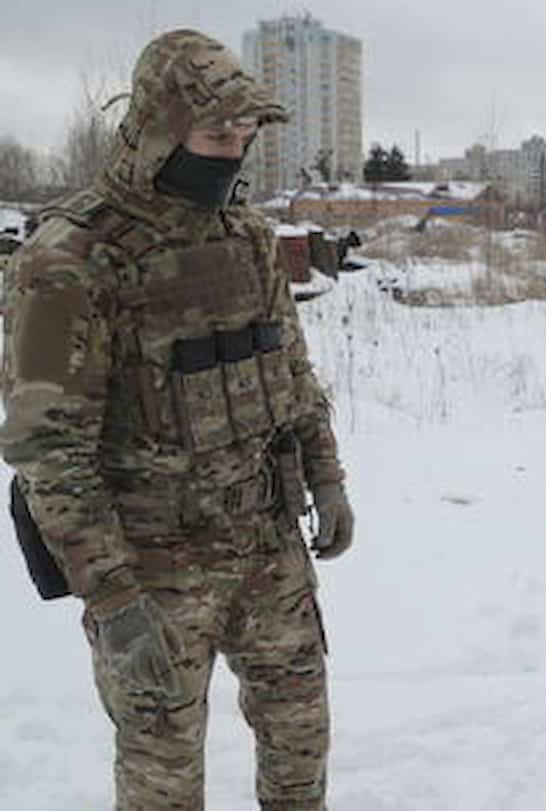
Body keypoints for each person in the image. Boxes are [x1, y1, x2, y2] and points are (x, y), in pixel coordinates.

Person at [0, 29, 353, 810]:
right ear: (160, 128)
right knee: (163, 777)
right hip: (150, 561)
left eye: (244, 135)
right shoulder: (70, 261)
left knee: (302, 744)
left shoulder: (247, 236)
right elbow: (48, 452)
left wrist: (326, 479)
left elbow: (289, 372)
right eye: (217, 134)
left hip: (264, 538)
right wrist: (112, 595)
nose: (233, 152)